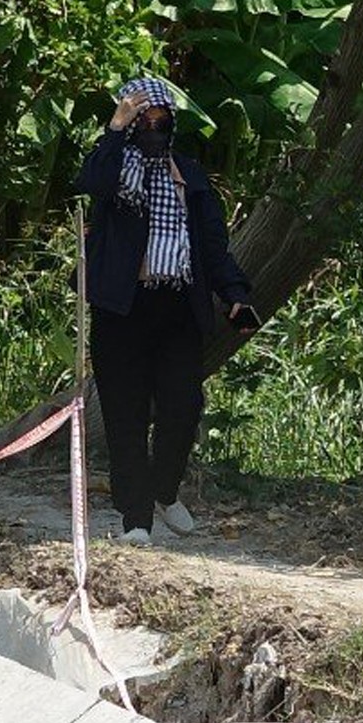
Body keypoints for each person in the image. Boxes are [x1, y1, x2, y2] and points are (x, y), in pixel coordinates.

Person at [75, 73, 257, 542]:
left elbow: (213, 245)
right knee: (125, 414)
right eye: (144, 120)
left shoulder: (189, 175)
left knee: (183, 405)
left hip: (176, 307)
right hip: (122, 309)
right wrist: (116, 128)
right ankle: (136, 520)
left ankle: (163, 490)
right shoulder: (115, 170)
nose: (153, 128)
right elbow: (91, 181)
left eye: (161, 120)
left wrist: (235, 295)